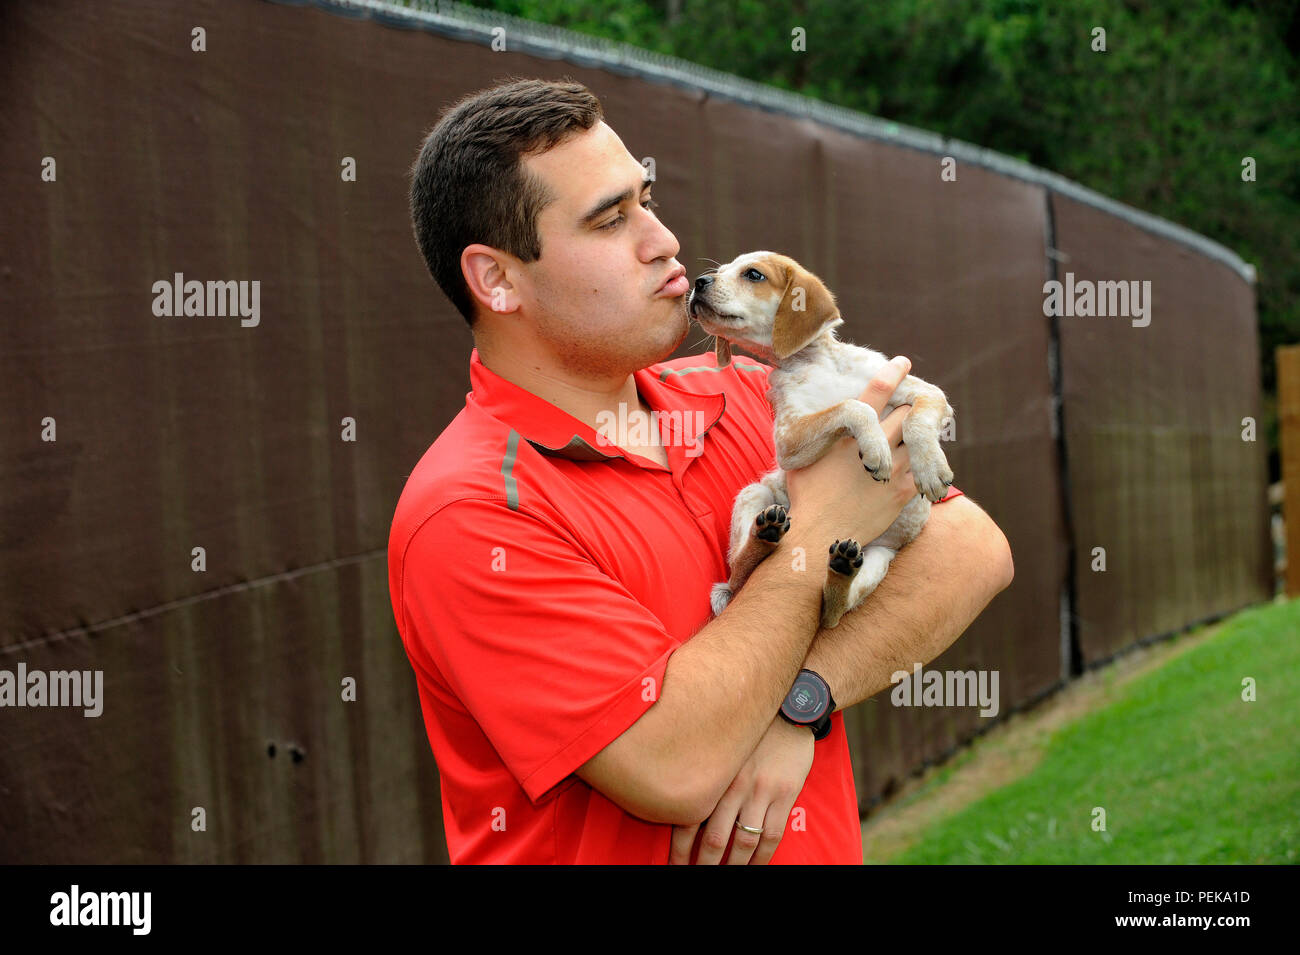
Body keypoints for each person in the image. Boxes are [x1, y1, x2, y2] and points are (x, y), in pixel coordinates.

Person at [388, 77, 1014, 864]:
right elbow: (672, 761)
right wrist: (821, 529)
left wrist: (800, 701)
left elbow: (974, 548)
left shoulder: (748, 392)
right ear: (497, 279)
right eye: (612, 220)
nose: (663, 239)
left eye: (646, 201)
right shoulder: (472, 512)